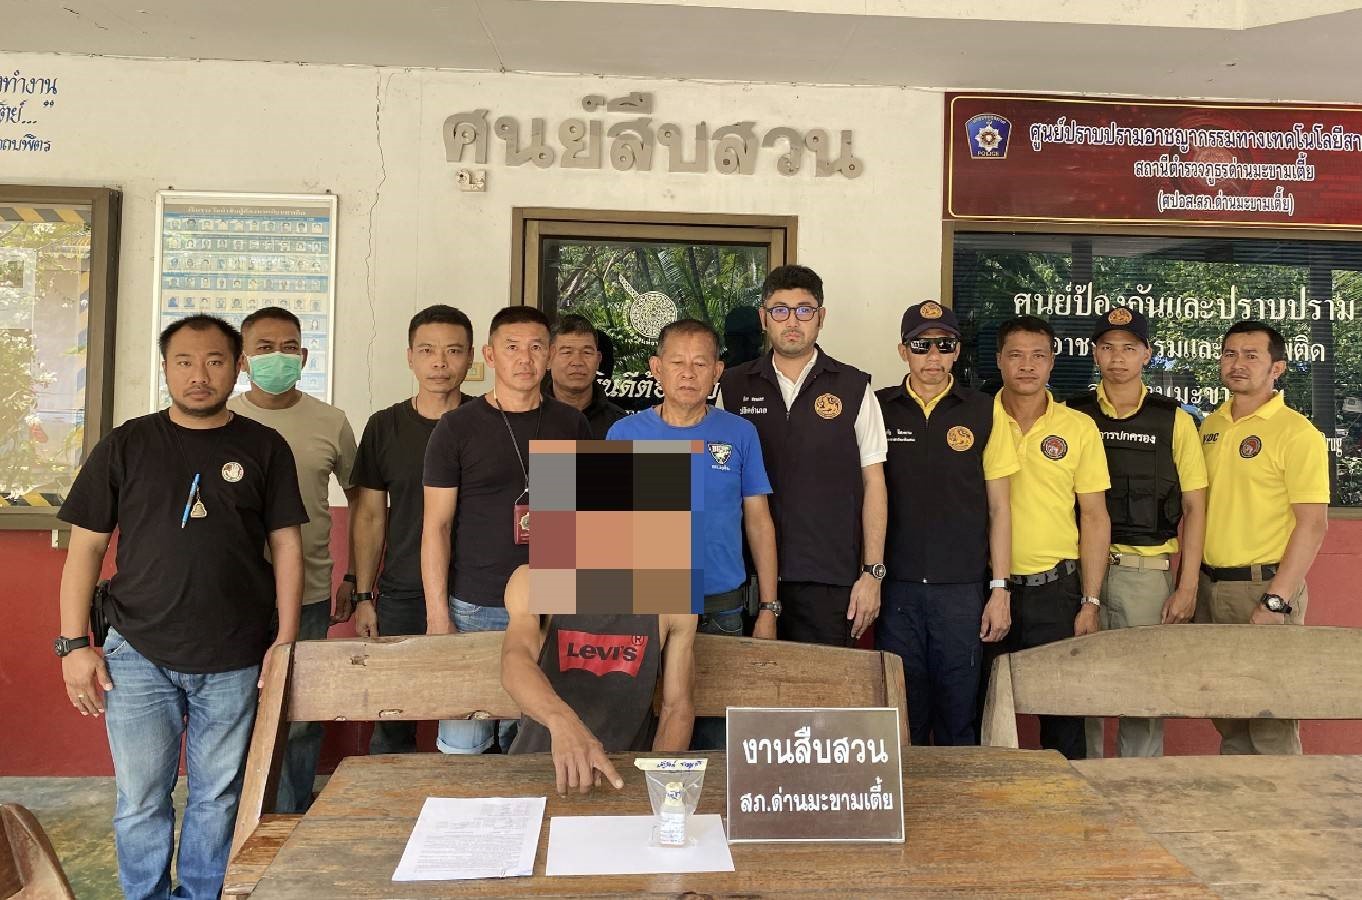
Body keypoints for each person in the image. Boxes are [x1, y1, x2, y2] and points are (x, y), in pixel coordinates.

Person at [56, 315, 306, 899]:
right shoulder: (127, 444)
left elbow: (287, 546)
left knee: (217, 797)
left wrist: (285, 641)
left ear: (237, 367)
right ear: (166, 368)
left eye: (215, 361)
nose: (199, 375)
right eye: (185, 362)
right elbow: (86, 548)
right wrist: (73, 646)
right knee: (141, 798)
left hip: (235, 654)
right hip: (137, 652)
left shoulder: (264, 446)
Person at [422, 306, 592, 754]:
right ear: (490, 354)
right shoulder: (457, 427)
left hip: (549, 604)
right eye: (512, 347)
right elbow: (437, 525)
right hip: (475, 605)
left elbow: (582, 517)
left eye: (536, 347)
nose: (524, 358)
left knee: (531, 743)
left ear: (549, 355)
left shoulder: (570, 424)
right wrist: (438, 616)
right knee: (465, 744)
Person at [607, 318, 779, 749]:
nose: (688, 373)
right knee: (639, 727)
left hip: (720, 608)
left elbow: (759, 521)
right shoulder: (624, 434)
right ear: (656, 368)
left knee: (716, 736)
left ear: (717, 371)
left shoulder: (740, 433)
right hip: (644, 606)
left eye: (700, 364)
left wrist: (769, 607)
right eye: (677, 362)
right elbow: (603, 529)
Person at [227, 306, 357, 811]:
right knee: (233, 713)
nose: (276, 357)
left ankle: (290, 817)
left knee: (300, 717)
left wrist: (355, 578)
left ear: (303, 357)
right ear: (242, 360)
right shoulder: (222, 418)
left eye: (288, 348)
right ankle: (241, 820)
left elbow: (363, 503)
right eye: (264, 348)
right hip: (232, 596)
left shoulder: (331, 422)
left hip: (308, 593)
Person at [719, 264, 888, 647]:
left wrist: (872, 573)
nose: (792, 321)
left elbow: (874, 483)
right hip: (745, 576)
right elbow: (718, 480)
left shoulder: (853, 387)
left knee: (823, 685)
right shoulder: (732, 386)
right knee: (746, 683)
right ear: (764, 318)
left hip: (828, 577)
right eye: (780, 310)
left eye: (804, 310)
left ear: (820, 317)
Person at [876, 302, 1019, 746]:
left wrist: (1000, 589)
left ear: (957, 351)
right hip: (896, 587)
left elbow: (1000, 509)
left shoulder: (984, 411)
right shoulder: (878, 407)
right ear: (903, 351)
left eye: (944, 345)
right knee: (904, 716)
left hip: (961, 590)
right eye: (921, 346)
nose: (933, 356)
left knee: (959, 715)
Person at [1068, 307, 1208, 759]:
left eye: (1129, 348)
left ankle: (1137, 788)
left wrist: (1187, 586)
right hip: (1079, 571)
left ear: (1147, 354)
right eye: (1107, 347)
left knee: (1143, 694)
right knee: (1079, 690)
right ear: (1094, 353)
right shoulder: (1072, 414)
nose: (1118, 358)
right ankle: (1082, 785)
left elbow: (1195, 506)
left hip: (1145, 575)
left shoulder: (1175, 419)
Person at [1197, 320, 1329, 755]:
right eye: (1230, 354)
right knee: (1230, 718)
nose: (1238, 364)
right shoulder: (1210, 425)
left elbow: (1313, 524)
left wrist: (1276, 601)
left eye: (1251, 355)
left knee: (1271, 722)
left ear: (1277, 368)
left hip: (1263, 588)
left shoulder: (1297, 432)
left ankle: (1284, 804)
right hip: (1211, 589)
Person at [351, 305, 476, 755]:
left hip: (476, 594)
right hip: (403, 591)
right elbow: (370, 516)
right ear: (409, 356)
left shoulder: (488, 421)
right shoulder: (384, 426)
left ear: (471, 357)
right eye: (427, 350)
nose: (440, 362)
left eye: (453, 351)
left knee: (478, 717)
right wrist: (363, 596)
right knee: (393, 717)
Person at [993, 315, 1110, 760]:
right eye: (1016, 355)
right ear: (999, 360)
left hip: (1055, 591)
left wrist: (1090, 601)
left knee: (1063, 722)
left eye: (1038, 355)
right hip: (987, 590)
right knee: (985, 712)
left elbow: (1094, 516)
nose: (1027, 365)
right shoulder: (977, 418)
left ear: (1052, 362)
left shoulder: (1078, 427)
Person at [501, 565, 698, 793]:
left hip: (624, 774)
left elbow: (677, 709)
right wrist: (564, 723)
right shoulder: (533, 580)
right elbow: (514, 662)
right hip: (540, 765)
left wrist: (657, 788)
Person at [543, 313, 626, 439]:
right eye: (567, 352)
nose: (577, 362)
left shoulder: (620, 424)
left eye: (587, 352)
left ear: (598, 360)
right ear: (548, 359)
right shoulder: (529, 420)